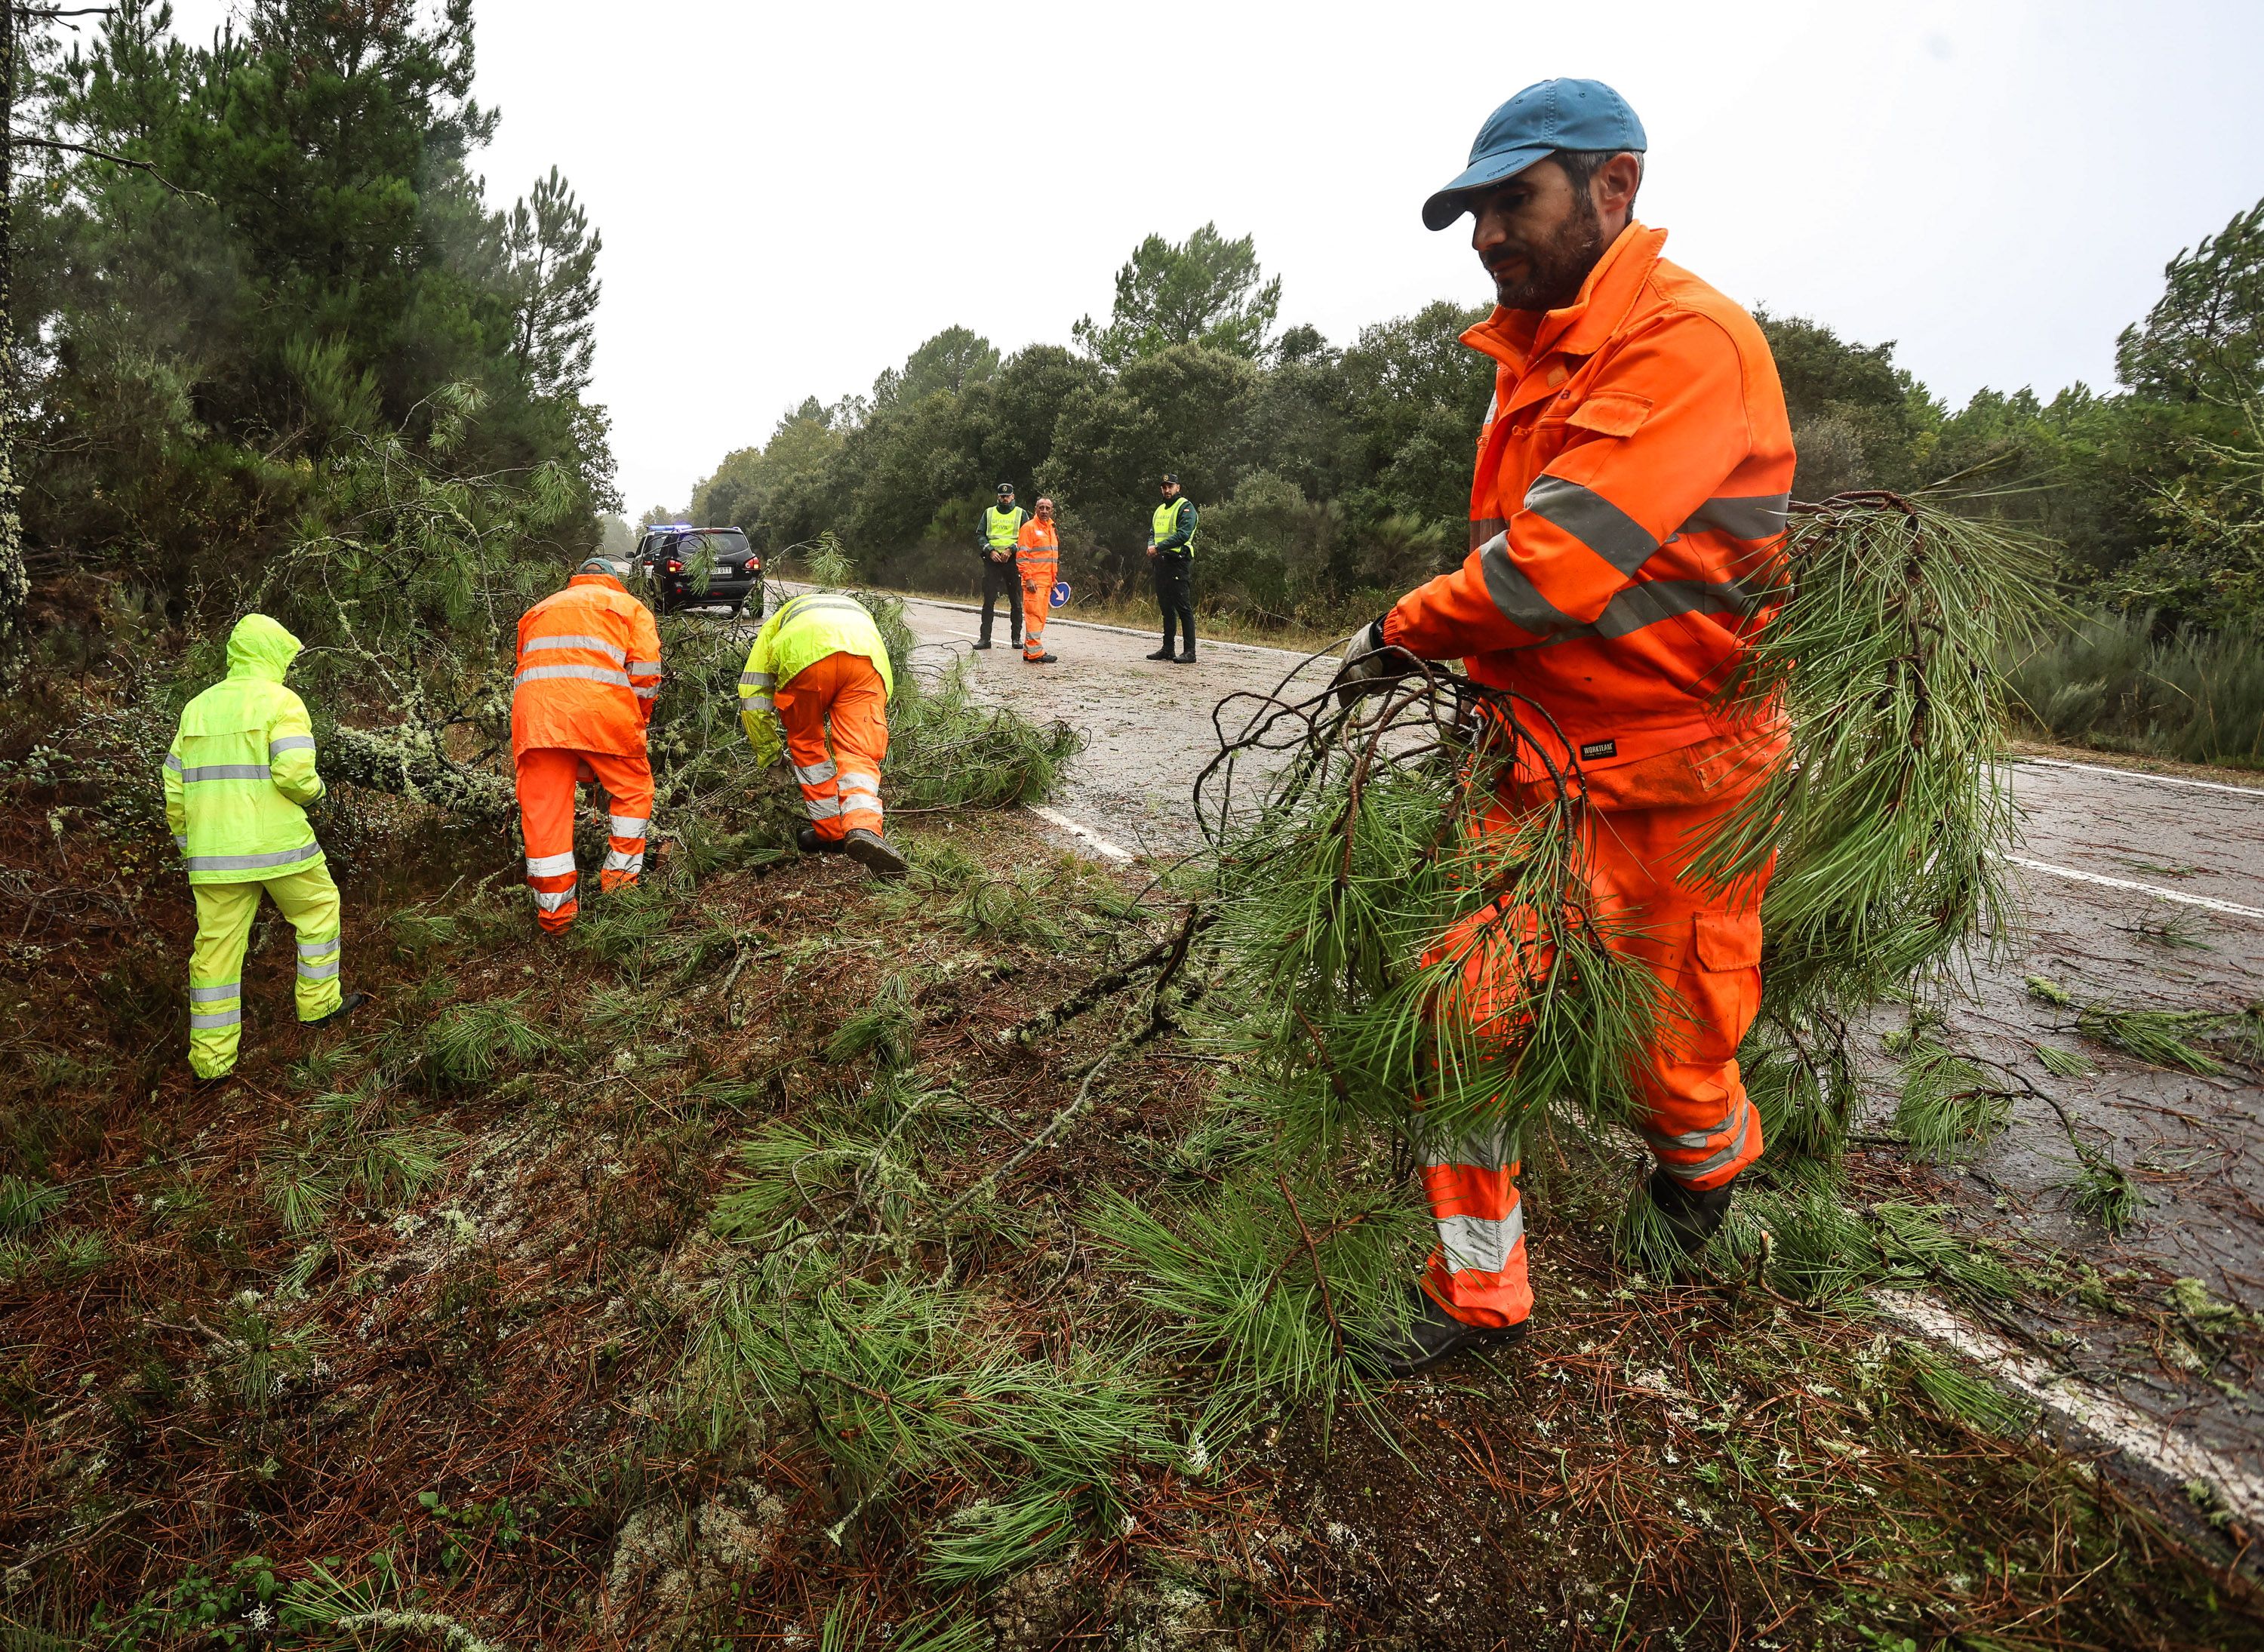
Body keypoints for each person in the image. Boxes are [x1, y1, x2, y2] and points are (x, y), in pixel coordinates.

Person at [1335, 78, 1796, 1374]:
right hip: (1535, 771)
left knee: (1677, 1047)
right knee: (1457, 1016)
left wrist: (1398, 630)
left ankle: (1701, 1180)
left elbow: (1547, 572)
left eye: (1513, 201)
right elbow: (1526, 584)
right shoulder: (1527, 359)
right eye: (1476, 210)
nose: (1487, 234)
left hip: (1682, 781)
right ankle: (1475, 1292)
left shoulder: (1687, 343)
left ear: (1616, 187)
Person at [165, 614, 362, 1081]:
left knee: (215, 951)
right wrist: (317, 794)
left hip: (213, 856)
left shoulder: (197, 708)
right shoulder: (282, 701)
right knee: (317, 909)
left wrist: (191, 846)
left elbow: (174, 787)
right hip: (280, 848)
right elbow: (294, 774)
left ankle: (212, 1062)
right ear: (273, 654)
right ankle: (318, 1005)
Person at [512, 555, 663, 934]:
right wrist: (638, 724)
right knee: (632, 790)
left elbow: (527, 669)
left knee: (544, 813)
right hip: (604, 713)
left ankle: (556, 917)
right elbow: (645, 675)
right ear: (614, 580)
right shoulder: (630, 608)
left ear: (576, 580)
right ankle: (620, 885)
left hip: (538, 720)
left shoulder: (537, 611)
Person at [738, 589, 909, 878]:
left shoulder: (778, 623)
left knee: (808, 744)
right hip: (867, 660)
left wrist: (771, 757)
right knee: (860, 753)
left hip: (804, 659)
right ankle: (863, 827)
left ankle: (831, 832)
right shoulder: (854, 610)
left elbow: (752, 696)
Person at [1144, 474, 1198, 663]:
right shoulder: (1159, 510)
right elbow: (1153, 533)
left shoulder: (1185, 507)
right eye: (1164, 487)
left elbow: (1184, 534)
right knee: (1166, 608)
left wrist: (1158, 547)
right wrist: (1152, 546)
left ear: (1178, 487)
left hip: (1178, 561)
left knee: (1183, 608)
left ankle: (1190, 651)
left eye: (1170, 486)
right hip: (1161, 563)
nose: (1167, 490)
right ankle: (1168, 648)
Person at [976, 482, 1026, 651]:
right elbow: (980, 534)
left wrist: (1012, 549)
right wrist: (989, 550)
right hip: (993, 562)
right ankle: (985, 639)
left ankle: (1016, 639)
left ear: (1013, 497)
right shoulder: (989, 513)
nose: (1005, 499)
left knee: (1016, 601)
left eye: (1007, 496)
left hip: (1012, 562)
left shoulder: (1021, 513)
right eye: (1002, 496)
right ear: (998, 497)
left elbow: (1028, 537)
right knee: (988, 600)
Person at [1017, 497, 1061, 663]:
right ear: (1035, 509)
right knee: (1034, 616)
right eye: (1041, 507)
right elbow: (1022, 556)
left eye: (1047, 508)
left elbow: (1050, 557)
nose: (1044, 511)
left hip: (1046, 582)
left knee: (1040, 617)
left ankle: (1030, 651)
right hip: (1033, 582)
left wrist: (1053, 578)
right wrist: (1028, 578)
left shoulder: (1050, 529)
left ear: (1052, 510)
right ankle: (1036, 653)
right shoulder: (1029, 528)